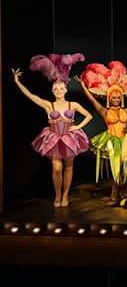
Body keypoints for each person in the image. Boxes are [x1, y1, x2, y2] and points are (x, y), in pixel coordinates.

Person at [12, 53, 92, 208]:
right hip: (54, 137)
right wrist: (17, 81)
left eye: (61, 88)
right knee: (56, 168)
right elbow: (30, 95)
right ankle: (57, 195)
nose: (58, 90)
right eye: (56, 88)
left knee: (68, 167)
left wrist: (77, 126)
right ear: (53, 90)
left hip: (70, 137)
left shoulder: (72, 105)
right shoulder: (49, 105)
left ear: (66, 90)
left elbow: (88, 116)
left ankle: (65, 195)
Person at [77, 61, 127, 202]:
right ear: (110, 98)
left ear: (121, 98)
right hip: (111, 140)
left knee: (124, 169)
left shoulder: (126, 111)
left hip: (124, 140)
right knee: (117, 167)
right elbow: (92, 99)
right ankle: (114, 192)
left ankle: (118, 191)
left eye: (118, 97)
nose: (116, 100)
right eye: (113, 98)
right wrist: (82, 86)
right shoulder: (104, 111)